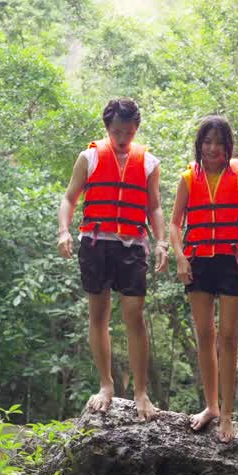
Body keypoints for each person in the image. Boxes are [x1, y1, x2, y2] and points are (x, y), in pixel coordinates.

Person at [58, 98, 168, 421]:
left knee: (134, 315)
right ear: (107, 128)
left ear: (136, 130)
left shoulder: (148, 162)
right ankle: (106, 385)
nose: (123, 139)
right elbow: (69, 198)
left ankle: (140, 392)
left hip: (132, 245)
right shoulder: (89, 157)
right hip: (96, 242)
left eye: (129, 132)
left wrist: (161, 241)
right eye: (118, 131)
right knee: (99, 314)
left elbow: (155, 207)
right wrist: (64, 231)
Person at [169, 116, 238, 442]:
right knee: (204, 334)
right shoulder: (188, 178)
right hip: (198, 260)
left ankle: (227, 413)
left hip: (231, 260)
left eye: (218, 143)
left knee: (228, 337)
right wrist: (180, 256)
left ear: (228, 146)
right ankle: (210, 406)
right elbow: (174, 224)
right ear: (200, 145)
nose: (212, 149)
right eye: (207, 142)